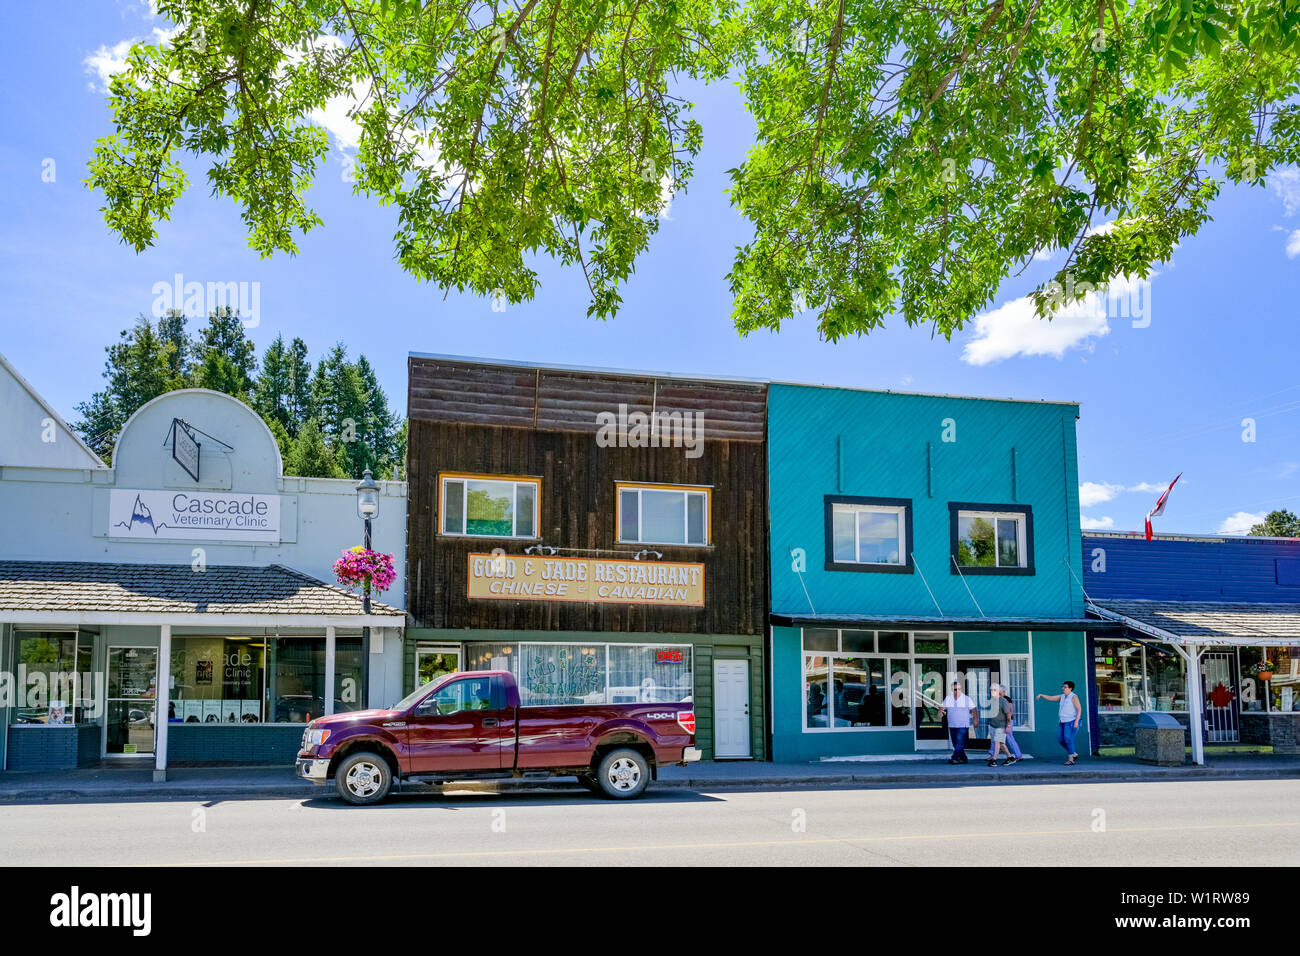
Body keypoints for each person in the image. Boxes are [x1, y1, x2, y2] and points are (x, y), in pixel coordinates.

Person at [1038, 680, 1082, 765]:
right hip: (1063, 722)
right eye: (1063, 687)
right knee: (1061, 740)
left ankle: (1071, 759)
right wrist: (1042, 695)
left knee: (1068, 739)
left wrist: (1077, 721)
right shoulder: (1062, 696)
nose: (1063, 688)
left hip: (1071, 721)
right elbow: (1051, 698)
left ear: (1070, 688)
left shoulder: (1074, 697)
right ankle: (1073, 753)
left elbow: (1079, 709)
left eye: (1065, 687)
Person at [940, 680, 978, 764]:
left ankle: (954, 758)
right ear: (952, 690)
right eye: (955, 689)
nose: (957, 691)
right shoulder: (949, 698)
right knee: (955, 743)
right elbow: (942, 706)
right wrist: (940, 712)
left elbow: (974, 709)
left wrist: (975, 720)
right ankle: (964, 758)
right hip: (952, 724)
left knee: (959, 742)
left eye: (959, 689)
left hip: (963, 725)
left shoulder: (966, 699)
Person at [985, 684, 1017, 767]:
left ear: (999, 691)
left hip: (1001, 725)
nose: (992, 691)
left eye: (994, 690)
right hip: (993, 725)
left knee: (997, 742)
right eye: (991, 690)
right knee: (1001, 743)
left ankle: (994, 760)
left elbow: (1008, 715)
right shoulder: (992, 700)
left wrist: (1008, 726)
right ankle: (1010, 757)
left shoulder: (1003, 701)